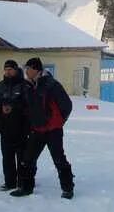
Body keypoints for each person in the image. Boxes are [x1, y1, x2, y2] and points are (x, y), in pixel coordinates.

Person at [11, 57, 75, 199]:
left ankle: (68, 188)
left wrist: (59, 122)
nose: (26, 71)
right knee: (28, 159)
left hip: (53, 130)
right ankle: (26, 188)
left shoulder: (51, 85)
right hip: (37, 129)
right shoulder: (28, 86)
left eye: (28, 68)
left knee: (59, 159)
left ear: (36, 70)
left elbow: (67, 105)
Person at [0, 60, 31, 191]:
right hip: (5, 128)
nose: (8, 72)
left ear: (16, 70)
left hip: (21, 128)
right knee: (7, 158)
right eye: (6, 69)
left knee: (22, 158)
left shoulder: (25, 86)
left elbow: (29, 106)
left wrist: (14, 108)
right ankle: (10, 182)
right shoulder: (0, 86)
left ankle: (23, 182)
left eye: (10, 69)